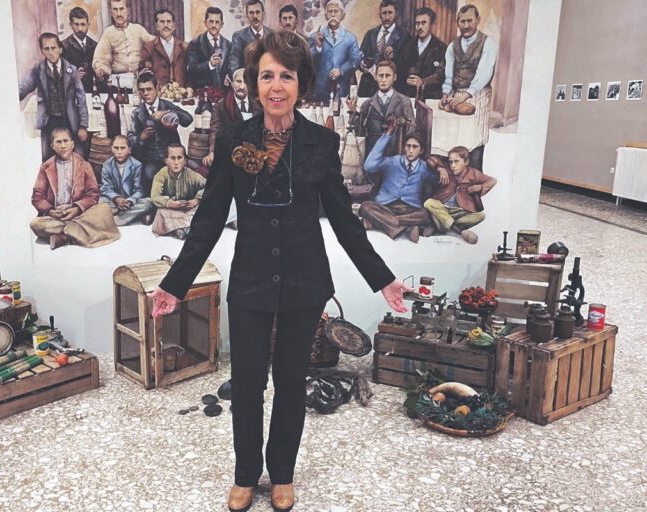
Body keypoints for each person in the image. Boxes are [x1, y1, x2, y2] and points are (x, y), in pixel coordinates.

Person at [147, 31, 411, 512]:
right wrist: (174, 284)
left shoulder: (321, 143)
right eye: (266, 75)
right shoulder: (234, 140)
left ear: (300, 84)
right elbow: (208, 221)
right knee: (248, 386)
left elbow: (345, 221)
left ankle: (283, 473)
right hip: (250, 282)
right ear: (255, 83)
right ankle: (246, 474)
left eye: (286, 76)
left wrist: (382, 278)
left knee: (290, 384)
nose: (275, 86)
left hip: (304, 283)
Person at [30, 127, 119, 250]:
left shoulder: (84, 165)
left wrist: (77, 208)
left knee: (105, 209)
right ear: (52, 146)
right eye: (58, 142)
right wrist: (50, 211)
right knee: (35, 224)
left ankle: (64, 236)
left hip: (79, 214)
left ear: (72, 144)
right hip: (57, 216)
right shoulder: (45, 167)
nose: (63, 146)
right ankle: (76, 232)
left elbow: (93, 193)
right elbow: (37, 196)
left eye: (66, 141)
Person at [360, 130, 445, 243]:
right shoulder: (392, 161)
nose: (410, 150)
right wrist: (387, 136)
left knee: (427, 215)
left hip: (410, 209)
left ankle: (386, 223)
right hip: (385, 206)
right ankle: (405, 226)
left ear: (421, 150)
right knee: (365, 207)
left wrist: (440, 167)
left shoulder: (424, 167)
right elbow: (368, 166)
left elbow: (438, 181)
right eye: (408, 146)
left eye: (415, 147)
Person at [19, 32, 89, 161]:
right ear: (42, 51)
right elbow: (24, 87)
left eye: (54, 48)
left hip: (69, 120)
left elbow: (81, 99)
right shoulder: (38, 70)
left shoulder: (72, 70)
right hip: (49, 121)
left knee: (77, 157)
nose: (51, 52)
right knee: (48, 158)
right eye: (47, 49)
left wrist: (83, 126)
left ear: (60, 49)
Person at [127, 72, 193, 193]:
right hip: (151, 159)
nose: (145, 93)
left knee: (194, 172)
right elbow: (130, 140)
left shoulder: (166, 105)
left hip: (173, 155)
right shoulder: (137, 113)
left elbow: (188, 119)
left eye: (149, 89)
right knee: (148, 176)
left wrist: (166, 113)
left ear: (157, 88)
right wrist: (141, 137)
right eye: (142, 90)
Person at [423, 146, 496, 244]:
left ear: (466, 162)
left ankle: (440, 224)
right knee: (429, 202)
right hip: (442, 207)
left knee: (481, 216)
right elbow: (430, 159)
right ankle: (459, 231)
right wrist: (441, 168)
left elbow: (492, 181)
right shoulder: (446, 169)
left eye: (456, 161)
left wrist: (481, 187)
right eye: (450, 162)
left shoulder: (473, 173)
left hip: (459, 211)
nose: (453, 165)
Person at [346, 60, 415, 159]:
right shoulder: (367, 104)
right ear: (375, 77)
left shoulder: (404, 102)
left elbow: (411, 132)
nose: (383, 80)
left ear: (394, 77)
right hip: (372, 157)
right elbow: (359, 132)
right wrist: (352, 111)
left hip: (396, 157)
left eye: (387, 76)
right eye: (381, 76)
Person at [439, 4, 497, 115]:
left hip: (479, 94)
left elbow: (484, 74)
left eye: (470, 21)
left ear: (478, 20)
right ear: (457, 23)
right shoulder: (452, 46)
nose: (466, 25)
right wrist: (445, 95)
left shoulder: (488, 43)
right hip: (457, 94)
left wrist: (465, 96)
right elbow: (449, 75)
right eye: (462, 21)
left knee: (474, 125)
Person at [203, 68, 261, 168]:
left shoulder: (258, 106)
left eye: (246, 82)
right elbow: (215, 130)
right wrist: (212, 151)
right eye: (238, 81)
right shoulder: (220, 107)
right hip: (231, 154)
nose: (242, 86)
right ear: (232, 84)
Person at [309, 0, 361, 102]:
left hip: (343, 91)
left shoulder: (350, 38)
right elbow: (308, 61)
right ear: (325, 16)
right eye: (330, 11)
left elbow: (356, 60)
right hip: (319, 92)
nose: (333, 15)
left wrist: (341, 70)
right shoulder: (315, 36)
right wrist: (318, 47)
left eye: (336, 11)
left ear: (343, 15)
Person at [150, 143, 205, 239]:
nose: (176, 162)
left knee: (204, 207)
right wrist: (170, 203)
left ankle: (178, 228)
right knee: (160, 212)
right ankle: (183, 228)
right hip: (170, 209)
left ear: (185, 161)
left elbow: (209, 186)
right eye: (172, 158)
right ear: (166, 161)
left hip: (187, 208)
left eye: (179, 158)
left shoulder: (191, 174)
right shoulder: (160, 175)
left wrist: (197, 200)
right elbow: (155, 196)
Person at [92, 0, 154, 84]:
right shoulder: (108, 33)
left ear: (128, 11)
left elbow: (155, 43)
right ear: (111, 12)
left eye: (121, 9)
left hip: (140, 78)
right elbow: (100, 57)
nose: (119, 14)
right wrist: (100, 68)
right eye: (115, 9)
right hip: (118, 80)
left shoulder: (138, 29)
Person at [99, 134, 154, 226]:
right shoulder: (107, 165)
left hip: (129, 202)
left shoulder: (136, 165)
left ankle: (118, 218)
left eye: (123, 148)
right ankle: (121, 215)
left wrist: (130, 201)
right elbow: (106, 188)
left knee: (149, 203)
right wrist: (116, 198)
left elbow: (139, 190)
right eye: (116, 148)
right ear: (111, 149)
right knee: (102, 202)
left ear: (129, 150)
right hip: (114, 201)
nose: (119, 152)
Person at [358, 0, 408, 97]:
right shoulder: (370, 34)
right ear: (380, 15)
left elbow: (405, 65)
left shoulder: (404, 36)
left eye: (390, 13)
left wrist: (394, 56)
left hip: (392, 89)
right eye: (384, 13)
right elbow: (361, 55)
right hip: (368, 88)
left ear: (396, 14)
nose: (387, 17)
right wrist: (361, 65)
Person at [394, 7, 447, 100]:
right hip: (408, 97)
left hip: (430, 98)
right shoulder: (407, 46)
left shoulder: (441, 48)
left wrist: (423, 82)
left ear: (432, 24)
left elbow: (441, 75)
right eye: (417, 23)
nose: (420, 27)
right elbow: (399, 72)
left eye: (423, 23)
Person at [138, 8, 188, 88]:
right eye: (162, 22)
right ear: (156, 26)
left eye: (168, 21)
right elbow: (143, 72)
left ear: (174, 26)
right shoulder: (149, 47)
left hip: (181, 91)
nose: (165, 25)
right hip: (159, 91)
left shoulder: (184, 47)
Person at [186, 7, 231, 90]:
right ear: (205, 23)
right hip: (203, 92)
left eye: (217, 22)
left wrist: (230, 74)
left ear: (222, 24)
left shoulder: (229, 45)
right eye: (211, 21)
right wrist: (209, 64)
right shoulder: (195, 43)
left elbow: (231, 67)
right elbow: (191, 69)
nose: (214, 25)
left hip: (224, 93)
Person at [229, 1, 272, 78]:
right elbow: (234, 63)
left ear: (263, 14)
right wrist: (240, 79)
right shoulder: (239, 36)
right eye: (251, 13)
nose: (255, 16)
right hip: (247, 81)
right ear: (247, 16)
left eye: (258, 12)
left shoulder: (272, 35)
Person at [60, 7, 98, 93]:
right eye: (76, 24)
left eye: (83, 24)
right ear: (71, 25)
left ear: (88, 24)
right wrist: (73, 75)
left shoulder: (95, 45)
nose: (80, 28)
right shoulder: (63, 46)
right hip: (72, 92)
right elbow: (59, 72)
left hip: (93, 91)